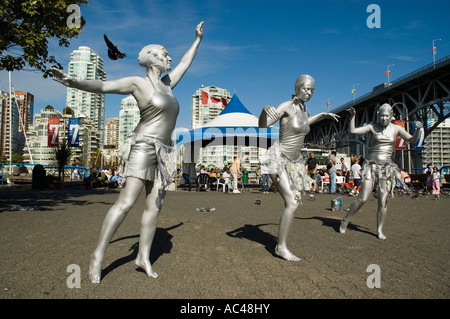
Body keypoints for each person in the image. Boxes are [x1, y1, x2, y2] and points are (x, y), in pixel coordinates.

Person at [51, 21, 204, 283]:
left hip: (164, 151)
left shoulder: (168, 84)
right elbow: (104, 86)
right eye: (165, 53)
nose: (170, 57)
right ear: (153, 59)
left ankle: (143, 257)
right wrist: (73, 81)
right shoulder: (138, 83)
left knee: (155, 205)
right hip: (143, 145)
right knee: (126, 202)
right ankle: (98, 255)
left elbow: (185, 64)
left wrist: (197, 40)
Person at [258, 74, 339, 261]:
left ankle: (281, 244)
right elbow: (263, 125)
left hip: (294, 162)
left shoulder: (304, 109)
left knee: (295, 202)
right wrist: (264, 109)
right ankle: (281, 247)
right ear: (297, 88)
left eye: (312, 90)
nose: (309, 93)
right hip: (279, 159)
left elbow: (304, 124)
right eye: (306, 89)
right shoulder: (286, 106)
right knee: (292, 202)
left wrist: (322, 115)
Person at [340, 104, 422, 239]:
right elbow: (353, 130)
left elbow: (411, 139)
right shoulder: (373, 127)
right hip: (370, 166)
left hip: (386, 168)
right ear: (379, 116)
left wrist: (418, 129)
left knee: (383, 200)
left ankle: (379, 230)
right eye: (382, 115)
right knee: (363, 198)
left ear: (391, 116)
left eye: (386, 116)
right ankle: (345, 220)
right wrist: (352, 116)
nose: (384, 118)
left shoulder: (397, 128)